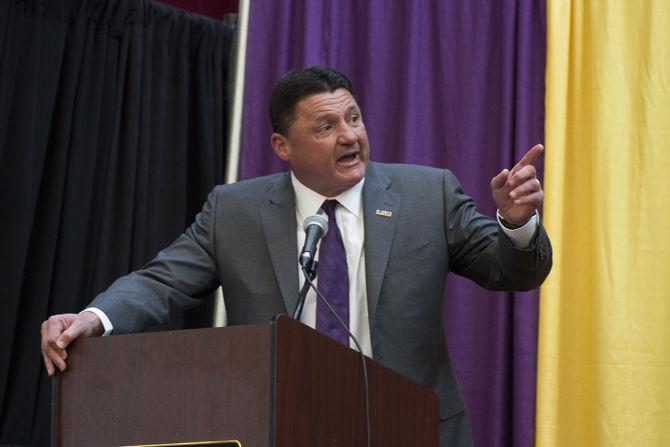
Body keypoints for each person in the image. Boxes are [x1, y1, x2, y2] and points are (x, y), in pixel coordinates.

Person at [41, 66, 552, 446]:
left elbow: (511, 271)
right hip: (282, 426)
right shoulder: (234, 211)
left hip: (409, 427)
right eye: (326, 126)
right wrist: (92, 317)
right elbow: (162, 282)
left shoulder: (428, 195)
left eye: (353, 118)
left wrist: (515, 223)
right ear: (282, 146)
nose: (350, 136)